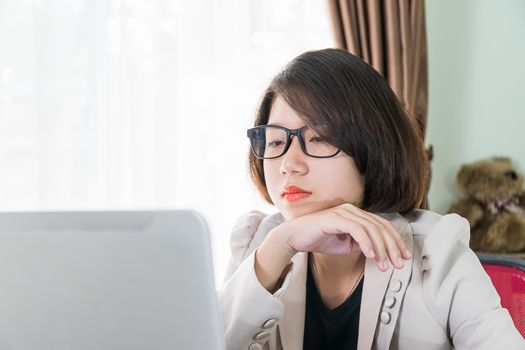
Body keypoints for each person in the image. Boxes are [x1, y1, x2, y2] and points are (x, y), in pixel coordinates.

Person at [218, 48, 525, 350]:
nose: (288, 164)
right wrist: (281, 243)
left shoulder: (437, 251)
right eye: (275, 141)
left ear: (372, 147)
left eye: (319, 138)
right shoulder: (257, 244)